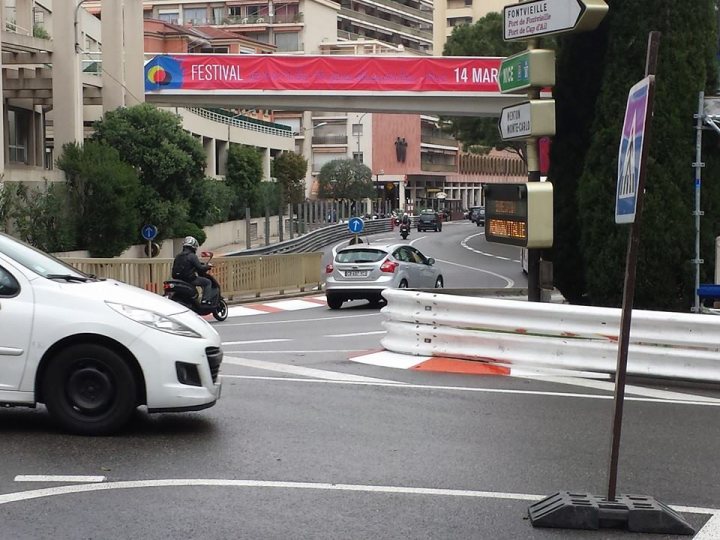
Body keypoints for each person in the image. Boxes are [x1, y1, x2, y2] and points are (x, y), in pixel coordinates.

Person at [172, 236, 213, 304]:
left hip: (177, 279)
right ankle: (205, 301)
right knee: (207, 282)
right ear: (194, 247)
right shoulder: (192, 256)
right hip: (189, 279)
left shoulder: (178, 256)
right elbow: (200, 268)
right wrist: (207, 266)